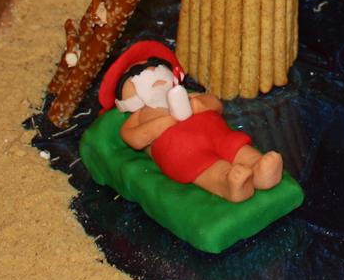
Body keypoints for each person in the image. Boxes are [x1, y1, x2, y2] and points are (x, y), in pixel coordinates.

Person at [98, 40, 284, 203]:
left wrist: (197, 105)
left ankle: (259, 168)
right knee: (202, 164)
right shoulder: (139, 115)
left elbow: (216, 104)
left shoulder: (186, 95)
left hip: (216, 133)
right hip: (183, 150)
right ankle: (228, 183)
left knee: (235, 146)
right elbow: (134, 139)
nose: (150, 70)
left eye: (155, 64)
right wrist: (165, 122)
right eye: (137, 71)